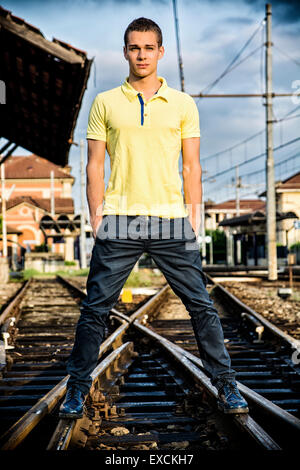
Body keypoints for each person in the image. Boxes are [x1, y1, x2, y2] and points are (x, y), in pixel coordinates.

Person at [59, 17, 248, 418]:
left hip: (171, 221)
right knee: (95, 309)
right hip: (120, 219)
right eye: (134, 47)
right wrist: (97, 217)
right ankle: (77, 389)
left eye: (148, 47)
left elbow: (192, 167)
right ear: (125, 51)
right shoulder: (106, 103)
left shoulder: (183, 104)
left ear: (160, 51)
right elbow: (94, 166)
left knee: (201, 306)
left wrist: (194, 220)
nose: (141, 54)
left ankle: (227, 386)